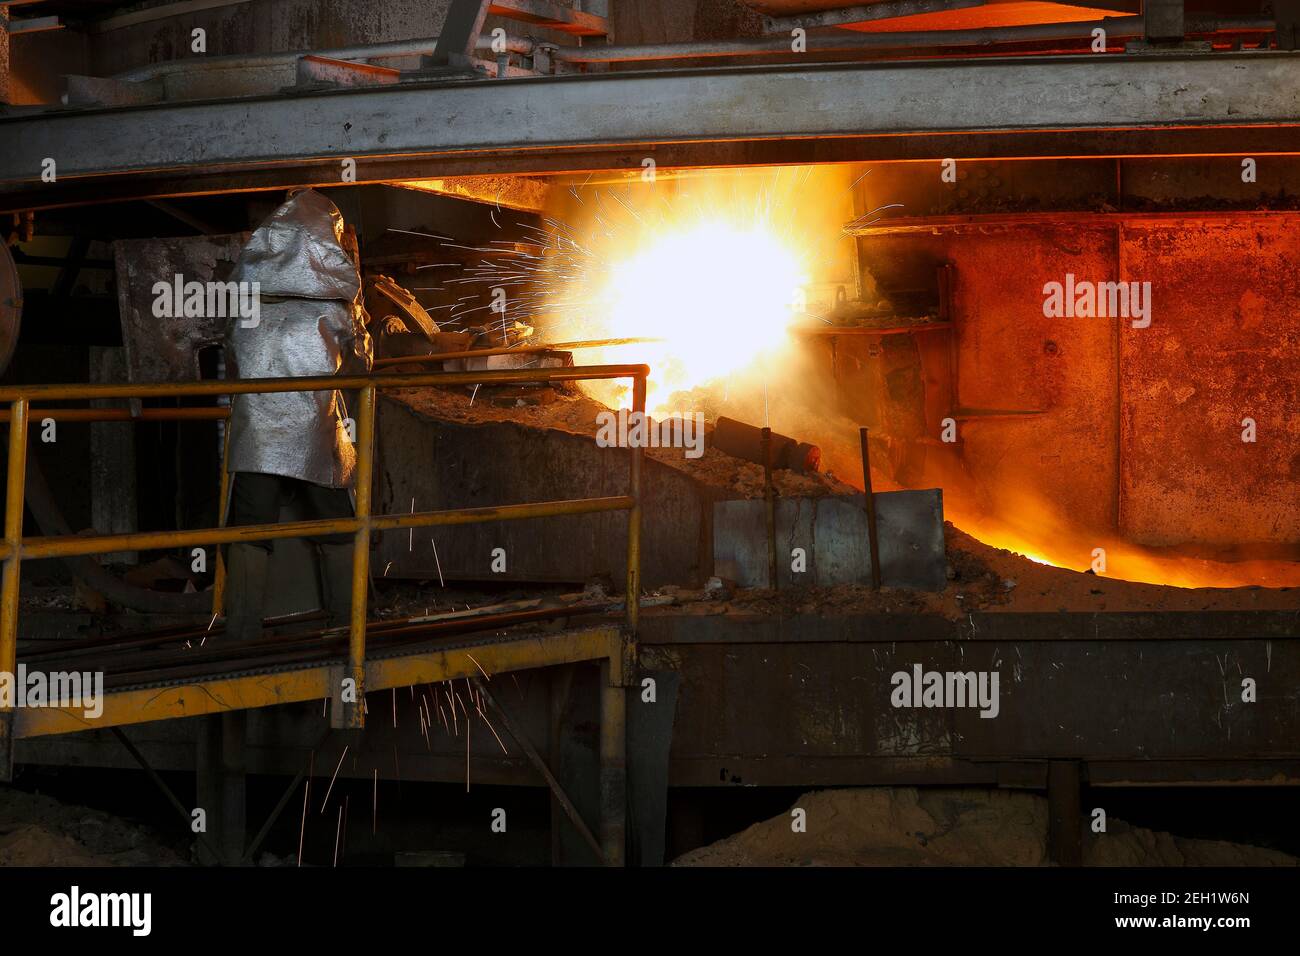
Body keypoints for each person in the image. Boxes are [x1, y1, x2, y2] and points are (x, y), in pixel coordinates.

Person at [222, 189, 372, 641]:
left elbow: (231, 355)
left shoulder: (244, 293)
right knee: (337, 526)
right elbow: (363, 366)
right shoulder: (338, 302)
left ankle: (242, 634)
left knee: (249, 531)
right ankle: (348, 625)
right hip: (314, 434)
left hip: (257, 437)